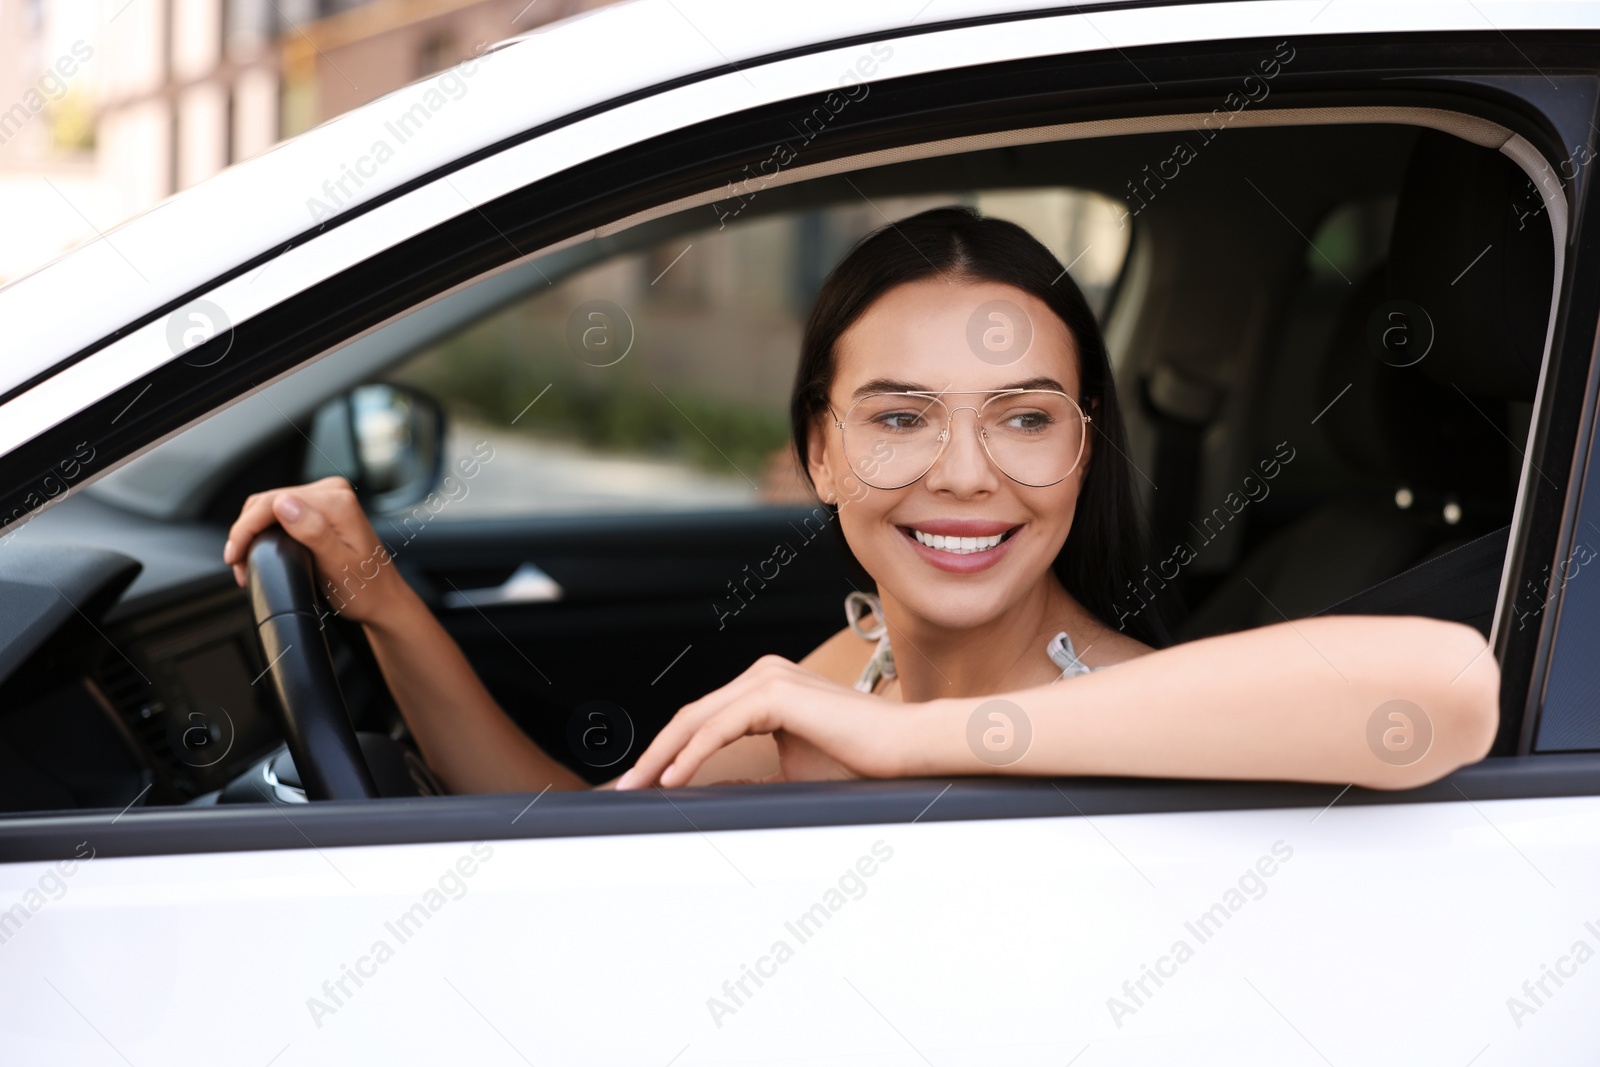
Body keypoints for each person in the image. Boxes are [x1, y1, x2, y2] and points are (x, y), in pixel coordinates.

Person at [222, 206, 1498, 795]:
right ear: (819, 455)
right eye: (898, 417)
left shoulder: (1127, 717)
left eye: (1023, 417)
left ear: (1083, 451)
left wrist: (910, 739)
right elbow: (576, 835)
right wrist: (377, 596)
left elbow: (1444, 690)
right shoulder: (860, 659)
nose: (961, 471)